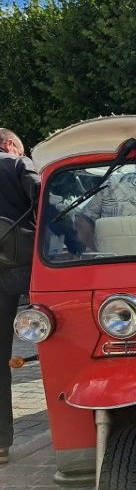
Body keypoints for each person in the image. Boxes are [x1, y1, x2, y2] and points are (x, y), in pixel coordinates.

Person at [0, 129, 40, 465]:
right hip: (24, 270)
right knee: (55, 337)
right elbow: (44, 200)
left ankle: (0, 443)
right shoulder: (15, 164)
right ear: (10, 145)